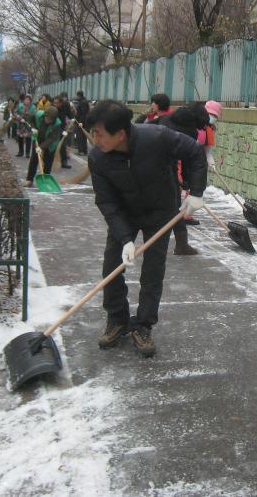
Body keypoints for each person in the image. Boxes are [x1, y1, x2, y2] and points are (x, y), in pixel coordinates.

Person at [87, 99, 207, 357]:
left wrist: (196, 193)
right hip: (125, 213)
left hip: (160, 211)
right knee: (112, 264)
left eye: (99, 133)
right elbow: (106, 200)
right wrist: (125, 238)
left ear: (120, 134)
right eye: (93, 132)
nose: (94, 139)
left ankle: (143, 326)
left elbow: (196, 152)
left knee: (153, 270)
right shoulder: (97, 157)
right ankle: (117, 320)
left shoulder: (157, 137)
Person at [158, 102, 211, 255]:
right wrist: (190, 184)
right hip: (165, 169)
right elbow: (190, 159)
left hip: (155, 163)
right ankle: (180, 244)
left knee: (173, 206)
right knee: (174, 207)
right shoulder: (189, 131)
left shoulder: (167, 118)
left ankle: (181, 244)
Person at [25, 105, 63, 187]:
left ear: (54, 119)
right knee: (34, 159)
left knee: (48, 161)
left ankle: (45, 180)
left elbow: (51, 139)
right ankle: (29, 179)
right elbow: (29, 119)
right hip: (38, 138)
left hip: (50, 143)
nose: (48, 120)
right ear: (45, 115)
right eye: (47, 118)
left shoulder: (57, 124)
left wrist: (41, 148)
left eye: (50, 119)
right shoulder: (38, 114)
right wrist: (33, 127)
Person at [55, 93, 74, 169]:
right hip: (54, 128)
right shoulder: (53, 109)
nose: (55, 104)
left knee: (62, 145)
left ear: (61, 103)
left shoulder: (66, 106)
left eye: (57, 103)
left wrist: (73, 119)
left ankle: (64, 162)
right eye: (54, 102)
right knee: (53, 145)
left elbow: (70, 114)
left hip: (62, 127)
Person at [202, 100, 223, 171]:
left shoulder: (210, 130)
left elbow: (207, 151)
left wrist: (212, 164)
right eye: (211, 114)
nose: (212, 117)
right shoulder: (194, 125)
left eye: (215, 116)